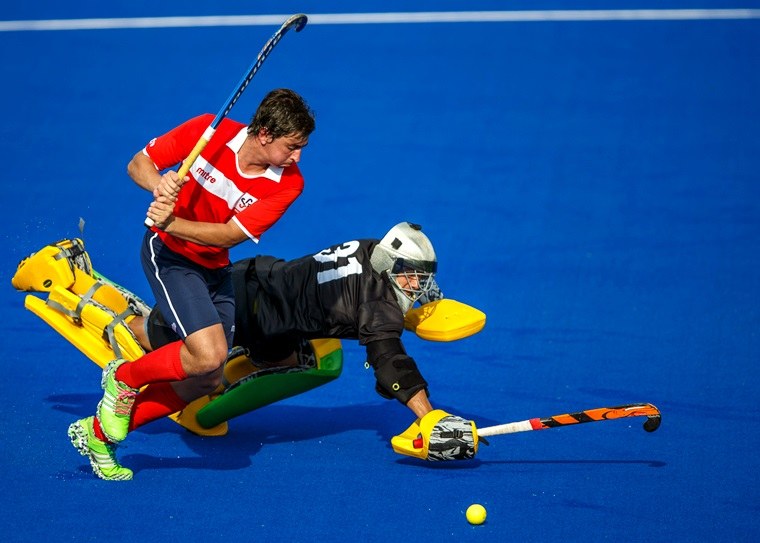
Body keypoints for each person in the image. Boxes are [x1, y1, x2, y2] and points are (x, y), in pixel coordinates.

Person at [69, 222, 479, 480]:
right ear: (392, 267)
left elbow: (363, 308)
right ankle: (74, 295)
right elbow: (389, 359)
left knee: (294, 360)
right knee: (163, 349)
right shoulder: (378, 306)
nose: (419, 287)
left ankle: (160, 383)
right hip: (256, 314)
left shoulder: (374, 249)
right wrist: (429, 416)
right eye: (411, 279)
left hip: (259, 283)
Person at [67, 88, 316, 481]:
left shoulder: (288, 184)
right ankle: (124, 377)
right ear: (265, 134)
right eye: (292, 146)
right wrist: (158, 186)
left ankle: (99, 435)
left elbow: (227, 236)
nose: (297, 157)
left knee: (207, 379)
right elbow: (138, 163)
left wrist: (171, 220)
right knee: (209, 355)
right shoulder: (207, 130)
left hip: (214, 268)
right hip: (168, 256)